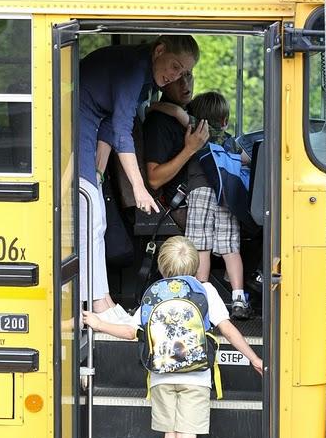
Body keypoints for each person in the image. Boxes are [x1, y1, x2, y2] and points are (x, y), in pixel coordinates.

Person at [82, 236, 263, 438]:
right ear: (195, 264)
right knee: (187, 436)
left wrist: (99, 324)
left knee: (171, 435)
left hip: (162, 376)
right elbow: (227, 328)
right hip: (196, 377)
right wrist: (253, 357)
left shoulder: (153, 293)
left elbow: (131, 331)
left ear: (162, 265)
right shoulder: (204, 291)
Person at [77, 35, 201, 322]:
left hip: (92, 123)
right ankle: (97, 304)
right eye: (174, 66)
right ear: (158, 50)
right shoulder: (134, 68)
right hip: (77, 118)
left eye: (182, 72)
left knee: (98, 219)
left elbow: (111, 122)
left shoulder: (146, 79)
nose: (175, 75)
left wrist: (100, 166)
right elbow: (121, 130)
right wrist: (139, 188)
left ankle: (104, 299)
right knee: (91, 217)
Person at [150, 91, 252, 319]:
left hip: (200, 192)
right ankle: (238, 298)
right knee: (230, 247)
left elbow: (175, 111)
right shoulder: (230, 140)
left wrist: (152, 106)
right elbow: (246, 158)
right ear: (225, 120)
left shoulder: (197, 130)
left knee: (201, 246)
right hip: (226, 194)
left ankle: (201, 295)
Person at [143, 73, 209, 227]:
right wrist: (189, 150)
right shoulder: (159, 122)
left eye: (188, 75)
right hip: (181, 204)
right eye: (177, 79)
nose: (185, 84)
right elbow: (154, 179)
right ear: (163, 83)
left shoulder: (189, 112)